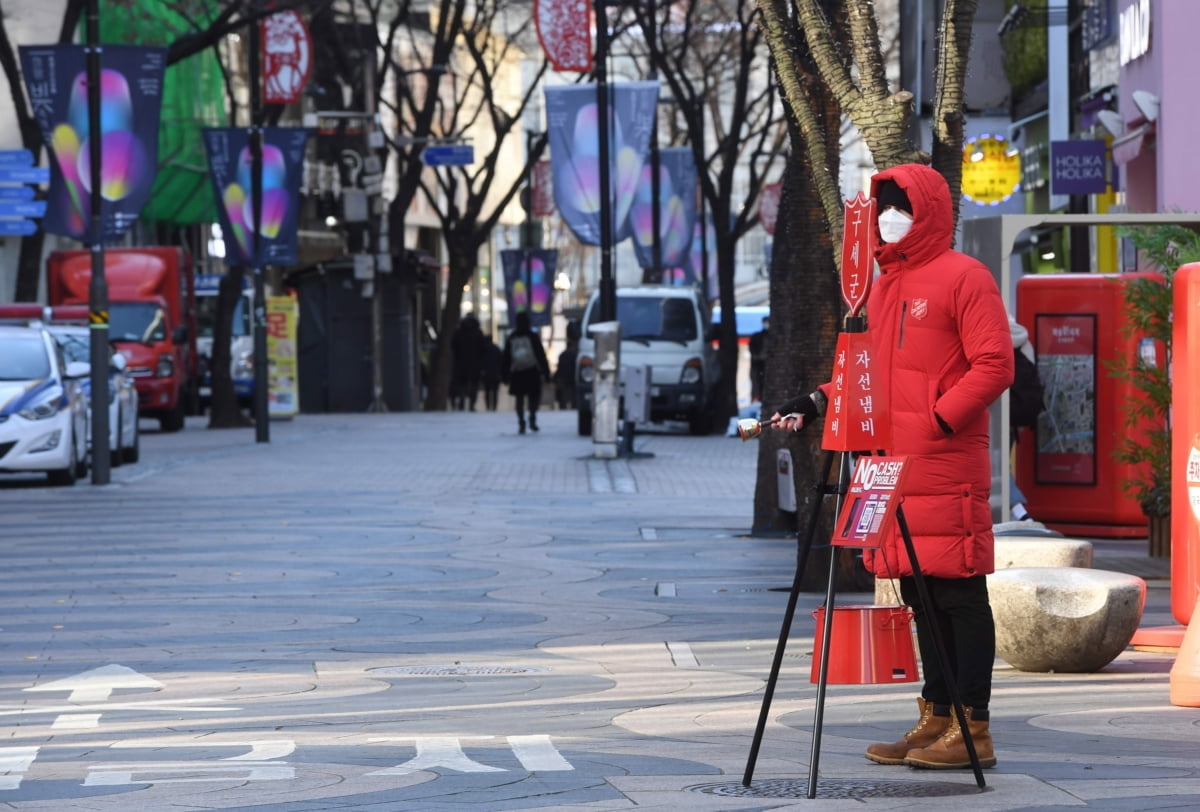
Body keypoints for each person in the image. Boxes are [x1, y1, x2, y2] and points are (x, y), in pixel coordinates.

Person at [771, 164, 1013, 770]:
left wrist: (936, 421)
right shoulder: (880, 287)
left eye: (900, 205)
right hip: (890, 468)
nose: (887, 217)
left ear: (927, 210)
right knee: (917, 591)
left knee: (958, 591)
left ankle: (973, 726)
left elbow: (994, 364)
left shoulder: (965, 276)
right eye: (882, 206)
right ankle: (936, 717)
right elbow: (866, 374)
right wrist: (815, 400)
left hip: (943, 462)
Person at [1008, 314, 1045, 521]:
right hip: (1019, 412)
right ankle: (1017, 510)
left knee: (994, 465)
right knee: (1001, 463)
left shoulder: (990, 335)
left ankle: (1017, 510)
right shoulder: (1022, 338)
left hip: (996, 413)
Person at [502, 311, 551, 434]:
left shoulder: (512, 337)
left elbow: (506, 358)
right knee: (533, 397)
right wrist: (546, 373)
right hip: (531, 371)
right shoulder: (532, 336)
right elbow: (540, 355)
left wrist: (505, 375)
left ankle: (521, 421)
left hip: (517, 373)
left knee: (519, 398)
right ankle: (532, 418)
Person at [451, 314, 487, 411]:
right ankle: (471, 404)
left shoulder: (459, 333)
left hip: (461, 364)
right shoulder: (478, 333)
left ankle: (462, 401)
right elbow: (483, 350)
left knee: (462, 384)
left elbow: (454, 347)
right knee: (473, 385)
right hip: (475, 365)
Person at [748, 316, 769, 403]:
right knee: (757, 384)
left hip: (767, 365)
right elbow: (752, 348)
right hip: (758, 364)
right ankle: (757, 399)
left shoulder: (772, 337)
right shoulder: (757, 336)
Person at [481, 337, 503, 412]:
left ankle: (488, 406)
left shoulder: (483, 350)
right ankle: (494, 406)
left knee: (487, 391)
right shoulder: (496, 349)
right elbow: (501, 361)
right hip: (495, 373)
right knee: (495, 391)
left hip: (486, 373)